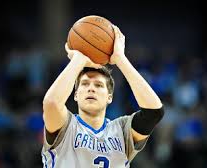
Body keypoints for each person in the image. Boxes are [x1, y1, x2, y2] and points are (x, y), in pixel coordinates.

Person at [41, 25, 164, 168]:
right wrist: (78, 60)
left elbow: (154, 113)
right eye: (85, 84)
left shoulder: (121, 130)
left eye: (98, 85)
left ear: (109, 97)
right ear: (75, 95)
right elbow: (51, 103)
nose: (91, 88)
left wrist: (120, 59)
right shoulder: (66, 125)